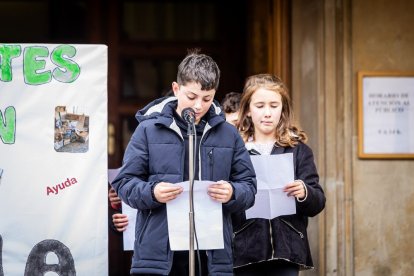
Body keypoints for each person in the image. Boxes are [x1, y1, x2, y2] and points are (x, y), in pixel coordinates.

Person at [111, 50, 257, 276]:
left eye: (207, 98)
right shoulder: (148, 130)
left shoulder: (229, 134)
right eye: (192, 96)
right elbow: (124, 183)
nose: (199, 105)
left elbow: (249, 186)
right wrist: (153, 192)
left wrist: (232, 192)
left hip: (211, 255)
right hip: (158, 254)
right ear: (176, 88)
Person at [232, 74, 326, 276]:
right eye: (260, 106)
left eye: (274, 106)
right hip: (244, 246)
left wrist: (304, 191)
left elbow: (318, 202)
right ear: (248, 110)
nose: (267, 113)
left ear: (282, 109)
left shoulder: (298, 149)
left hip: (287, 249)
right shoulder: (236, 150)